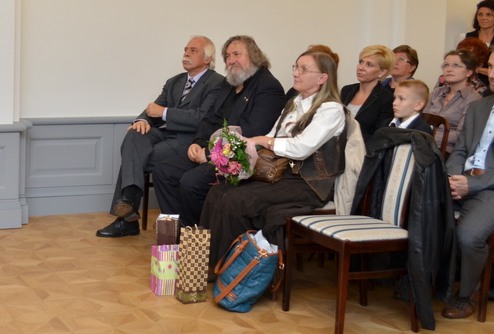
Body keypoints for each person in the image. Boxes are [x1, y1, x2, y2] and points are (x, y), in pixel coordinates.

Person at [201, 49, 346, 266]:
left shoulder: (331, 110)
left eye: (304, 69)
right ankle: (204, 261)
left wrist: (262, 141)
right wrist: (238, 148)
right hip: (282, 174)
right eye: (296, 67)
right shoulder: (294, 103)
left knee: (236, 201)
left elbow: (301, 148)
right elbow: (271, 136)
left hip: (307, 183)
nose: (295, 73)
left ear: (322, 78)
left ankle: (229, 268)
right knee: (217, 191)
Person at [96, 36, 224, 237]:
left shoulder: (217, 83)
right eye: (185, 49)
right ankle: (128, 205)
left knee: (135, 156)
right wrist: (142, 120)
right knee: (135, 135)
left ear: (208, 59)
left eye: (193, 50)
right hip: (163, 134)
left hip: (188, 141)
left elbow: (201, 118)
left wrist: (164, 112)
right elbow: (153, 109)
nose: (186, 54)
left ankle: (127, 214)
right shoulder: (175, 81)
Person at [150, 35, 285, 227]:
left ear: (254, 56)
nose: (231, 60)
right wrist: (197, 142)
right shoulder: (229, 83)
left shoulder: (268, 86)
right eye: (228, 56)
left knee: (191, 182)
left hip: (239, 159)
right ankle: (180, 231)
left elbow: (252, 132)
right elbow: (209, 118)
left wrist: (209, 153)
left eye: (237, 54)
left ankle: (199, 234)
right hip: (211, 150)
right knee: (163, 171)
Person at [443, 39, 494, 318]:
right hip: (465, 182)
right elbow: (460, 150)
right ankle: (427, 282)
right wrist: (453, 178)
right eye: (491, 67)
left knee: (469, 235)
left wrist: (472, 184)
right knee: (422, 213)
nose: (492, 74)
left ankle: (466, 295)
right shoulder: (479, 107)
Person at [425, 50, 480, 153]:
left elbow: (461, 135)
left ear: (469, 72)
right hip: (423, 144)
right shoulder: (436, 92)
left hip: (448, 151)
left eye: (456, 65)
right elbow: (421, 120)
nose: (449, 69)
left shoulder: (473, 98)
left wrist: (427, 136)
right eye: (446, 65)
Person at [340, 45, 395, 145]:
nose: (361, 68)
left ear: (382, 72)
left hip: (363, 150)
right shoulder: (346, 90)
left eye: (369, 65)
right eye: (361, 62)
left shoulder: (386, 98)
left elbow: (380, 136)